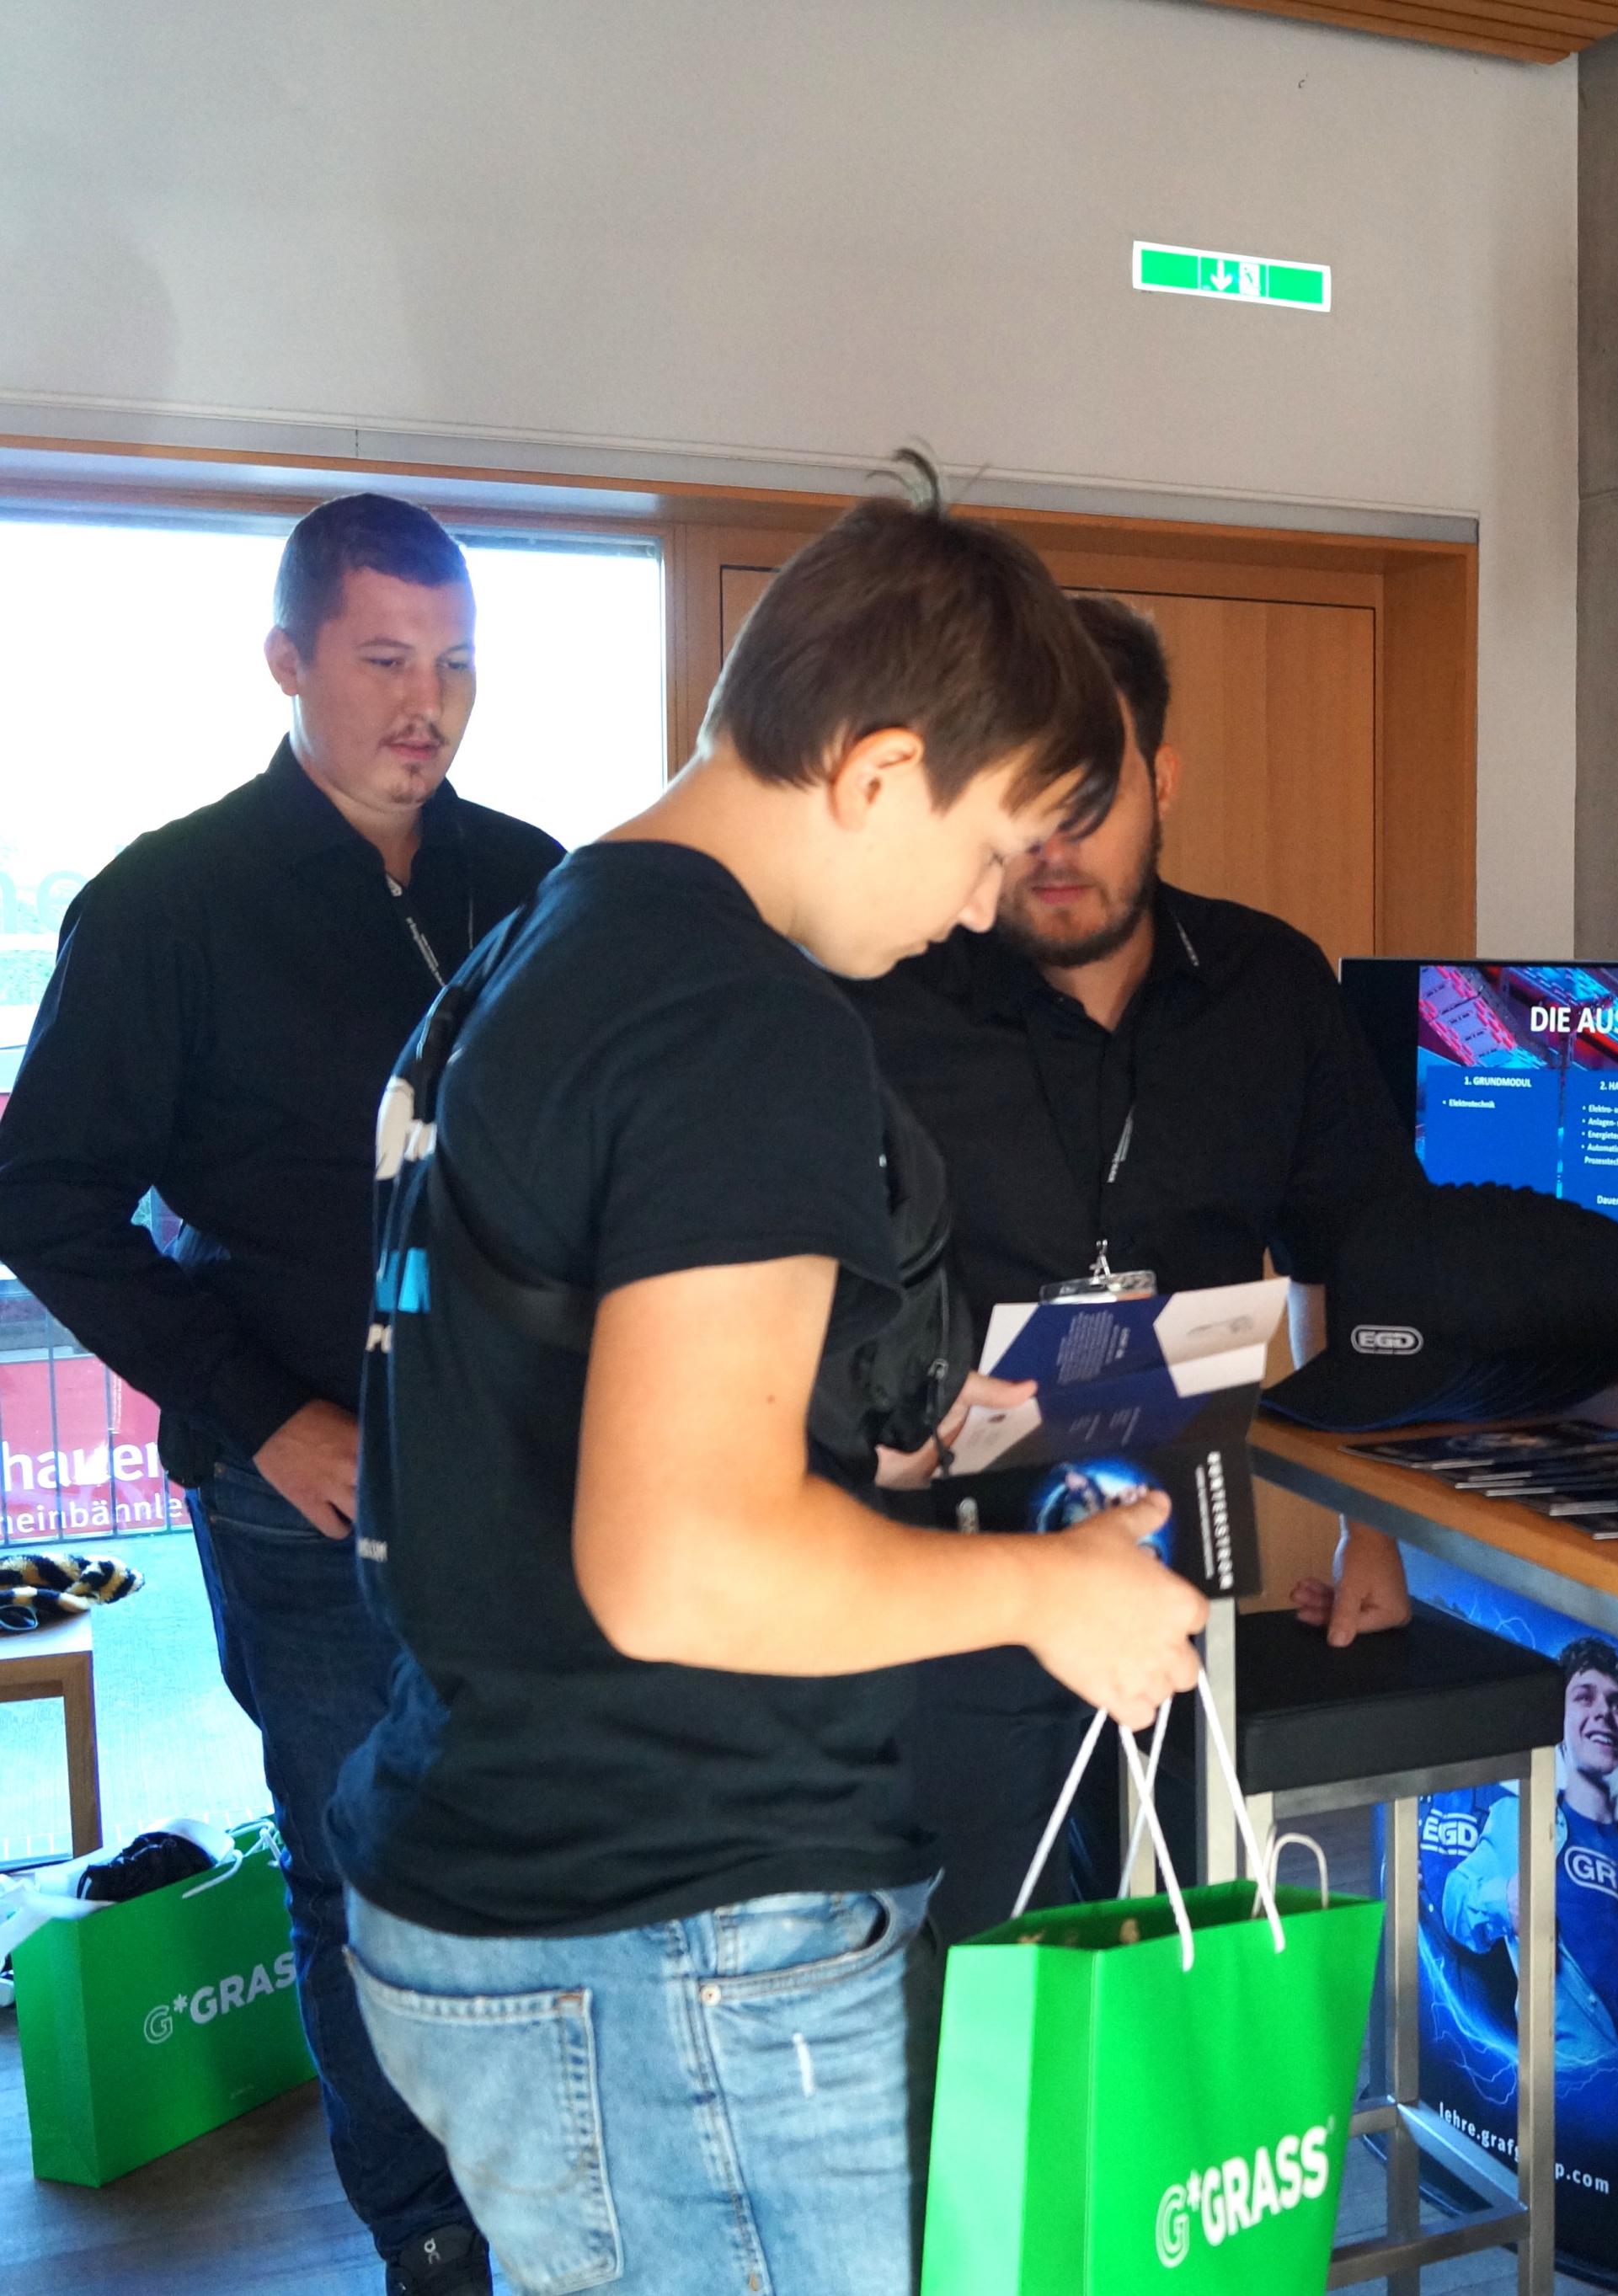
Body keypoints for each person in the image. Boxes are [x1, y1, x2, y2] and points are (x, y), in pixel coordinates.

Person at [325, 483, 1211, 2296]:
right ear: (879, 772)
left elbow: (555, 1406)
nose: (983, 907)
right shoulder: (737, 1015)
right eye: (988, 846)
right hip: (671, 1925)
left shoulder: (537, 949)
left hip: (508, 1857)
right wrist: (1046, 1593)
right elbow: (683, 1565)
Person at [0, 494, 558, 2296]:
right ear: (288, 662)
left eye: (455, 662)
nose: (427, 701)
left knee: (535, 1848)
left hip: (524, 1474)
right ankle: (427, 2232)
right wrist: (259, 1412)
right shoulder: (172, 902)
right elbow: (43, 1199)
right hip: (297, 1490)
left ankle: (554, 2196)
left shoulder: (531, 878)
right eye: (385, 659)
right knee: (354, 1867)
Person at [846, 592, 1425, 1943]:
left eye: (1090, 794)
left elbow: (1362, 1254)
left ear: (1162, 779)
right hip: (939, 1593)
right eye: (1022, 799)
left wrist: (1374, 1523)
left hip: (1176, 1577)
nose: (1053, 844)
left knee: (1171, 1954)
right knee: (975, 1981)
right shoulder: (888, 994)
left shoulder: (1271, 985)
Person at [1440, 1637, 1618, 2053]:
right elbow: (1455, 1901)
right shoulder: (1521, 1819)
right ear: (1559, 1722)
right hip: (1566, 2083)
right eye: (1585, 1697)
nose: (1604, 1712)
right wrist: (1505, 1901)